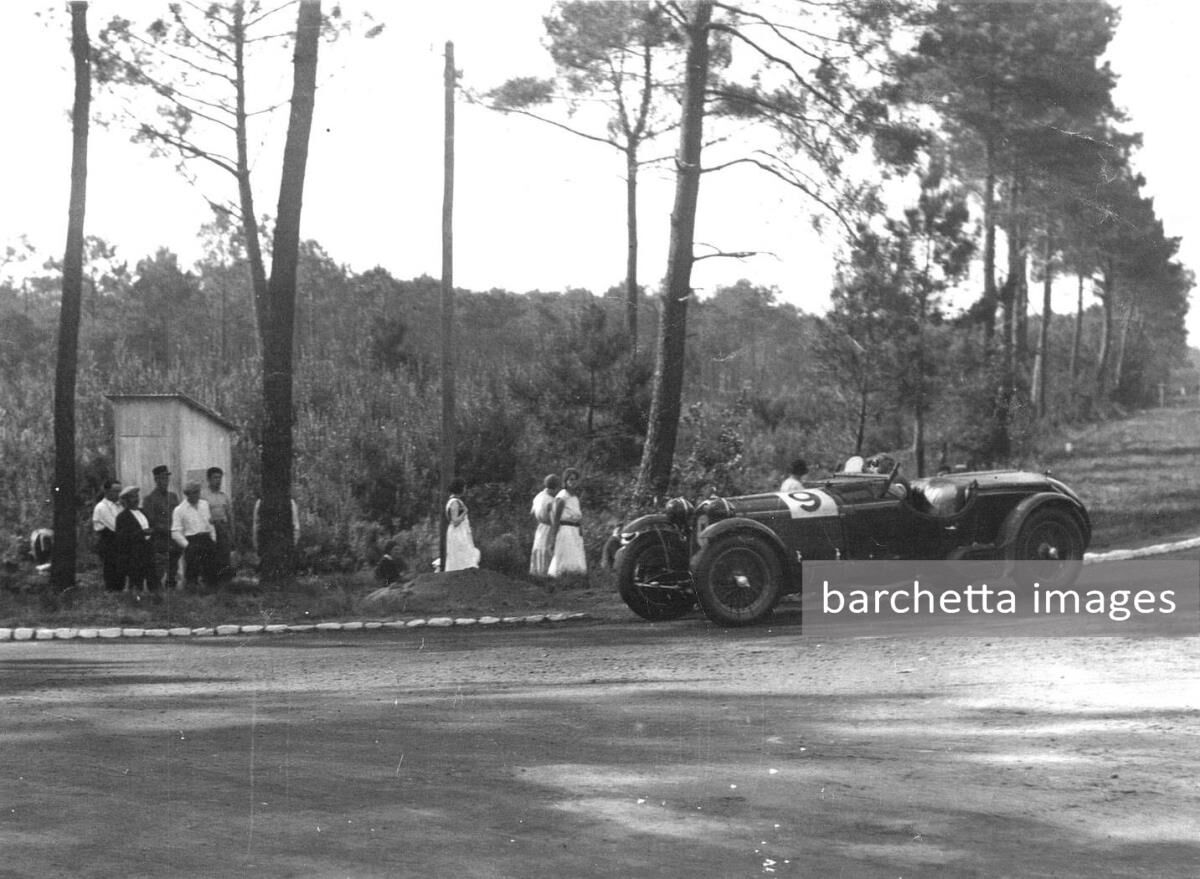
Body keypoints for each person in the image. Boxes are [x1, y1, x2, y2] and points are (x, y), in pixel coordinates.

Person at [172, 481, 217, 589]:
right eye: (192, 493)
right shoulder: (179, 510)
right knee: (192, 569)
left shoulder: (204, 504)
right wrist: (187, 545)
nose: (196, 495)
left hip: (206, 538)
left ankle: (211, 591)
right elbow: (175, 532)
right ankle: (192, 591)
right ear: (187, 494)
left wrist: (213, 538)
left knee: (211, 568)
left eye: (197, 492)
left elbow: (210, 523)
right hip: (192, 540)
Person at [142, 465, 181, 590]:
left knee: (173, 569)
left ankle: (172, 595)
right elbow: (151, 521)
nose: (165, 481)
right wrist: (168, 530)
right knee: (158, 571)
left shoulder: (173, 497)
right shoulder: (149, 499)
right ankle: (156, 597)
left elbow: (179, 515)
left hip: (174, 540)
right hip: (160, 540)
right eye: (162, 478)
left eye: (167, 478)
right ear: (156, 480)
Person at [548, 468, 587, 577]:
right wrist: (553, 538)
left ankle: (574, 580)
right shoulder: (562, 497)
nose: (573, 482)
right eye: (570, 479)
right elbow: (556, 518)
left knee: (576, 559)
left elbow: (578, 516)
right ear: (565, 481)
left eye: (575, 480)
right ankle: (563, 580)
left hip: (575, 531)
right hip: (566, 530)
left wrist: (580, 530)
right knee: (566, 558)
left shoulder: (574, 497)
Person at [115, 485, 154, 592]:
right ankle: (136, 603)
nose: (136, 499)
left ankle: (155, 602)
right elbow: (122, 538)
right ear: (126, 500)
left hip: (148, 552)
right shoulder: (122, 517)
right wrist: (141, 533)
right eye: (132, 497)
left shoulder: (143, 512)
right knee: (136, 583)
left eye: (137, 496)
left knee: (153, 580)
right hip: (134, 555)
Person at [202, 466, 234, 583]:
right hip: (211, 529)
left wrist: (231, 534)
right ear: (209, 479)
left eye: (220, 477)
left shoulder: (224, 496)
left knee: (225, 557)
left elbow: (230, 516)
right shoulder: (203, 496)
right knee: (212, 558)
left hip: (223, 528)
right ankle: (211, 584)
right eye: (215, 477)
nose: (218, 480)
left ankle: (225, 583)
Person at [91, 479, 123, 591]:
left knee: (120, 572)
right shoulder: (101, 507)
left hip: (119, 542)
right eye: (115, 491)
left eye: (120, 491)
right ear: (107, 491)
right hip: (108, 541)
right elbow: (115, 526)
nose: (118, 494)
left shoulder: (120, 505)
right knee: (111, 572)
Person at [443, 478, 480, 572]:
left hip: (459, 531)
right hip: (458, 532)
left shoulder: (454, 501)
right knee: (461, 554)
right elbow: (455, 521)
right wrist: (465, 512)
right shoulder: (455, 502)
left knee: (462, 554)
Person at [529, 473, 561, 576]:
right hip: (548, 528)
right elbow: (554, 520)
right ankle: (546, 576)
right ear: (555, 487)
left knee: (538, 551)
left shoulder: (538, 496)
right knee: (547, 553)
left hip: (540, 528)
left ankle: (537, 574)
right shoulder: (551, 502)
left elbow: (532, 513)